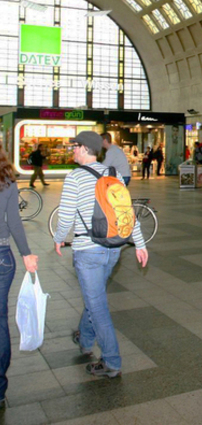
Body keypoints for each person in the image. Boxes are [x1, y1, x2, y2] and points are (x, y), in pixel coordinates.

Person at [53, 131, 148, 379]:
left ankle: (111, 361)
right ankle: (85, 339)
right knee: (93, 296)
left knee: (98, 307)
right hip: (113, 248)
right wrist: (139, 243)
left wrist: (58, 238)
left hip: (88, 251)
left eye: (75, 147)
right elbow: (126, 211)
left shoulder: (74, 178)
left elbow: (65, 217)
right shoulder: (113, 175)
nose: (72, 150)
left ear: (85, 149)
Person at [0, 147, 38, 409]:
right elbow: (14, 220)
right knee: (0, 318)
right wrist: (26, 254)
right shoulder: (7, 179)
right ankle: (0, 388)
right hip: (3, 255)